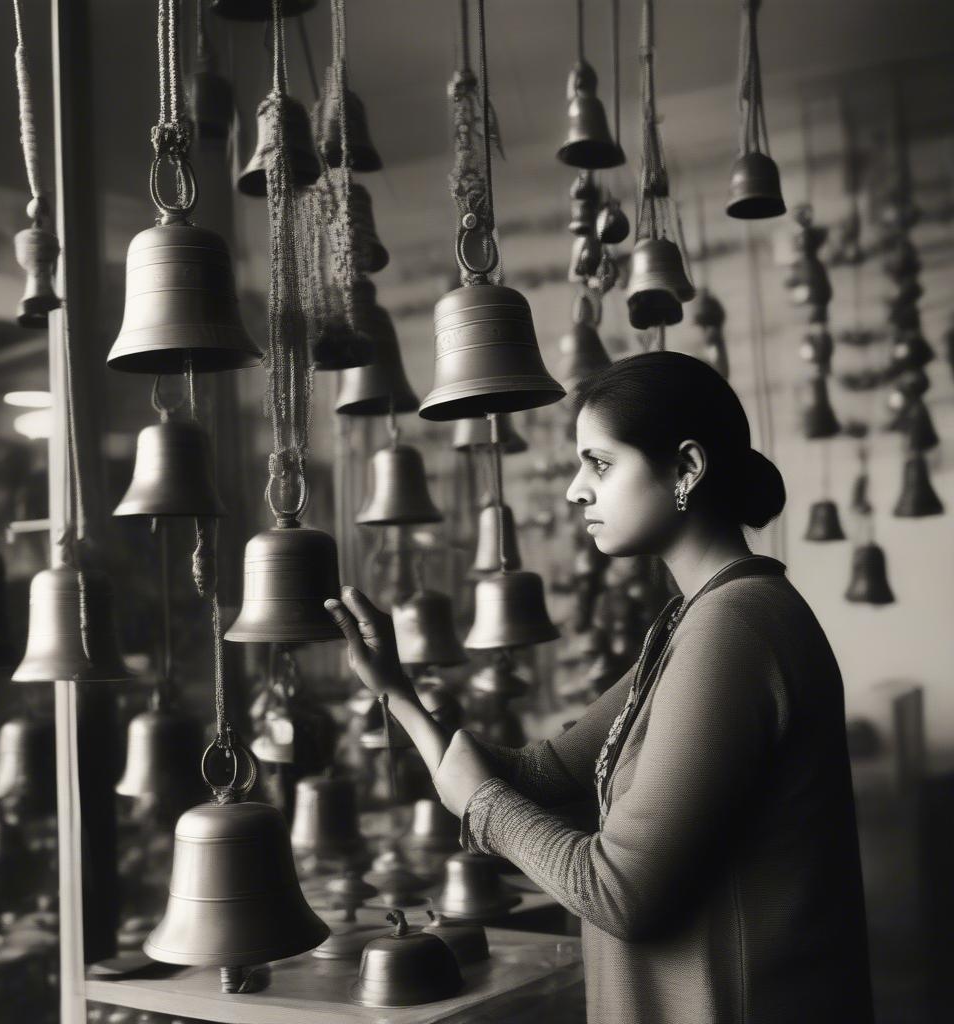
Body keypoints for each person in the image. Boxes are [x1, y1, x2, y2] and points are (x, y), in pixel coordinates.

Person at [326, 351, 875, 1024]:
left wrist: (484, 808)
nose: (576, 490)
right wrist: (398, 692)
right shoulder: (695, 618)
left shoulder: (736, 629)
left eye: (601, 464)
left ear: (686, 469)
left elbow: (620, 894)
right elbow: (544, 772)